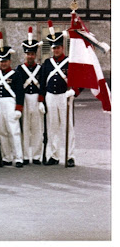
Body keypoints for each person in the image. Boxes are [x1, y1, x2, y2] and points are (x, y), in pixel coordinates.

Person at [39, 22, 80, 167]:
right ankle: (54, 155)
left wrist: (74, 91)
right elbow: (42, 82)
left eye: (58, 47)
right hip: (51, 96)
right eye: (53, 48)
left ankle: (70, 156)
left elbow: (79, 80)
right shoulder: (47, 63)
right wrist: (40, 101)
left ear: (62, 47)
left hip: (65, 96)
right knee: (53, 127)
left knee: (68, 126)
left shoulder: (70, 62)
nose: (56, 50)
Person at [0, 34, 25, 168]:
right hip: (0, 103)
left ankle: (19, 157)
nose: (3, 63)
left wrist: (18, 108)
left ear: (9, 61)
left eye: (5, 61)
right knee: (3, 132)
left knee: (14, 131)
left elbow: (20, 92)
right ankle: (6, 157)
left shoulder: (16, 75)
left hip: (10, 103)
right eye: (1, 61)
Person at [16, 27, 44, 165]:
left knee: (37, 128)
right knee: (25, 128)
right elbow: (17, 89)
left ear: (35, 54)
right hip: (25, 99)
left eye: (32, 54)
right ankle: (26, 155)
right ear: (25, 55)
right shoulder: (20, 69)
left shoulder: (41, 68)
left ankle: (37, 155)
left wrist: (41, 101)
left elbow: (43, 85)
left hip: (36, 99)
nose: (30, 56)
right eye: (28, 54)